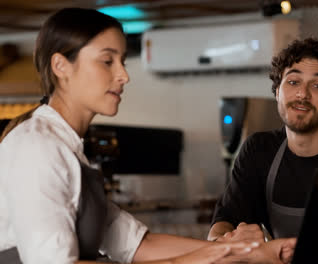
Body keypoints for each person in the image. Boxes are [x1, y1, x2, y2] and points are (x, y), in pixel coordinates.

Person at [0, 8, 295, 264]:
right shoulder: (37, 148)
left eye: (123, 61)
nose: (124, 76)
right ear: (60, 66)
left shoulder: (70, 148)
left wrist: (240, 251)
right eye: (107, 61)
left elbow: (136, 244)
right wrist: (209, 256)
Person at [208, 38, 318, 242]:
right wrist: (222, 242)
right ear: (277, 91)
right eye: (293, 82)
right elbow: (225, 221)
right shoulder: (259, 150)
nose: (303, 94)